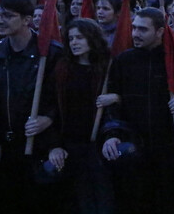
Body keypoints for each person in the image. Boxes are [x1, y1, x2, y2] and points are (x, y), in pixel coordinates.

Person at [101, 8, 174, 214]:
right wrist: (112, 135)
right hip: (133, 148)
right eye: (134, 28)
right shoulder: (124, 61)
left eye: (143, 29)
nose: (135, 34)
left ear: (159, 32)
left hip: (168, 149)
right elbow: (113, 102)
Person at [0, 0, 62, 213]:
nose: (0, 20)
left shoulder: (50, 53)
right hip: (6, 148)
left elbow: (66, 98)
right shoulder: (0, 51)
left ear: (27, 20)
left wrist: (49, 117)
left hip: (39, 146)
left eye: (8, 16)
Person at [49, 19, 116, 213]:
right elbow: (52, 106)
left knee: (104, 197)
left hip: (99, 143)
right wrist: (54, 145)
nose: (74, 42)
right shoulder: (62, 68)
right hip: (70, 143)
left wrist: (116, 97)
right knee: (79, 198)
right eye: (71, 38)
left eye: (80, 37)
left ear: (92, 39)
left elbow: (121, 101)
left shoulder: (107, 67)